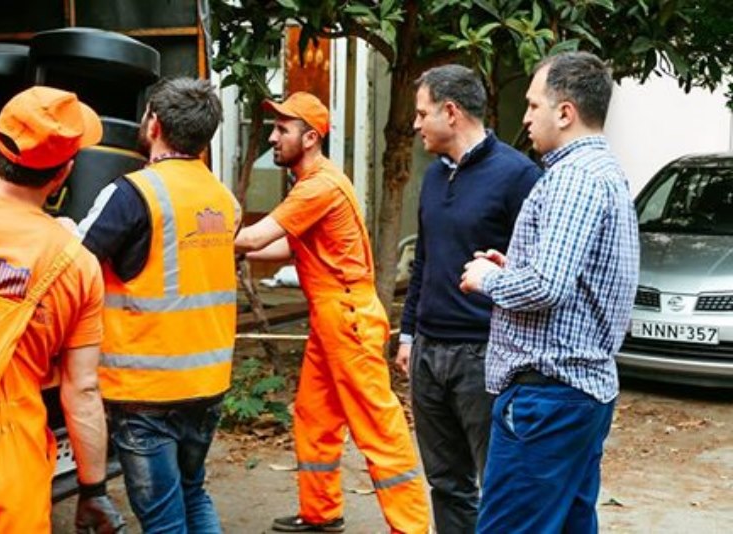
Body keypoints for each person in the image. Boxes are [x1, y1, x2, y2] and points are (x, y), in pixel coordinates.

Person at [460, 51, 639, 533]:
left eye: (533, 104)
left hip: (548, 398)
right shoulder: (602, 171)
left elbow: (547, 286)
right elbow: (575, 278)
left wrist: (487, 279)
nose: (525, 117)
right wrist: (513, 268)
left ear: (565, 112)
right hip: (576, 395)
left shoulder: (574, 178)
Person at [235, 91, 430, 533]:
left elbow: (255, 237)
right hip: (335, 316)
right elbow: (284, 245)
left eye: (282, 130)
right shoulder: (313, 183)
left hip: (346, 316)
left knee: (378, 428)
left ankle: (412, 528)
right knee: (314, 415)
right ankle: (320, 513)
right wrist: (236, 248)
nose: (272, 138)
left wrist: (202, 231)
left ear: (309, 138)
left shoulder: (318, 186)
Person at [0, 86, 125, 533]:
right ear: (65, 172)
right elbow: (82, 390)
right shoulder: (77, 263)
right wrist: (93, 488)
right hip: (14, 464)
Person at [78, 77, 238, 533]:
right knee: (193, 493)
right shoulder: (223, 199)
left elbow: (76, 264)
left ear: (155, 125)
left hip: (146, 392)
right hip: (207, 384)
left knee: (164, 520)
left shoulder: (133, 194)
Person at [396, 65, 540, 534]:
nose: (415, 124)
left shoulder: (519, 176)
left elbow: (535, 271)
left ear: (451, 112)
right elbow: (424, 260)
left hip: (485, 355)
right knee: (446, 484)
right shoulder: (434, 177)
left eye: (423, 114)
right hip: (427, 354)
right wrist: (408, 334)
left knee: (498, 484)